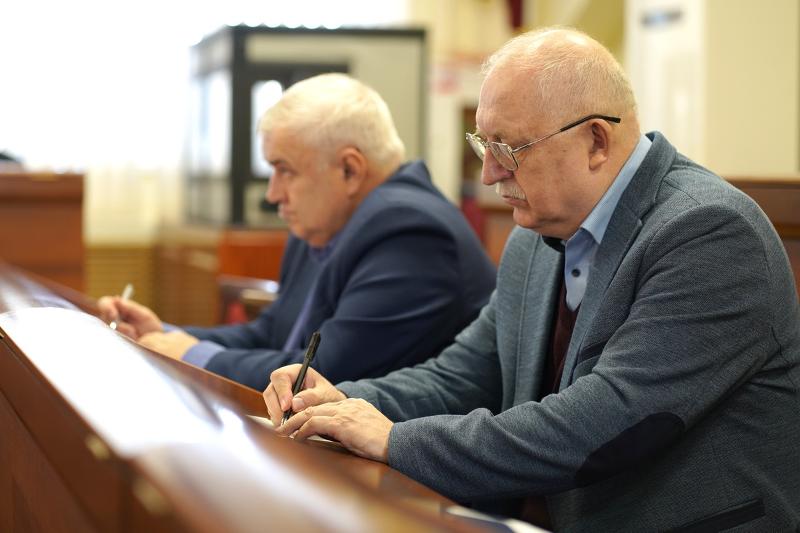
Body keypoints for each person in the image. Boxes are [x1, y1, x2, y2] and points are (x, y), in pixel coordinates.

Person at [264, 28, 800, 531]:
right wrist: (337, 403)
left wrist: (395, 440)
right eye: (484, 145)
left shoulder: (709, 232)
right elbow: (462, 376)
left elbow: (605, 421)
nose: (489, 174)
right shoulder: (536, 236)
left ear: (596, 141)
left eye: (508, 149)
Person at [99, 73, 496, 391]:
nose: (273, 194)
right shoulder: (327, 221)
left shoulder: (411, 233)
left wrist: (186, 354)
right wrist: (164, 335)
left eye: (284, 170)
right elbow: (273, 333)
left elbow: (322, 372)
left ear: (349, 170)